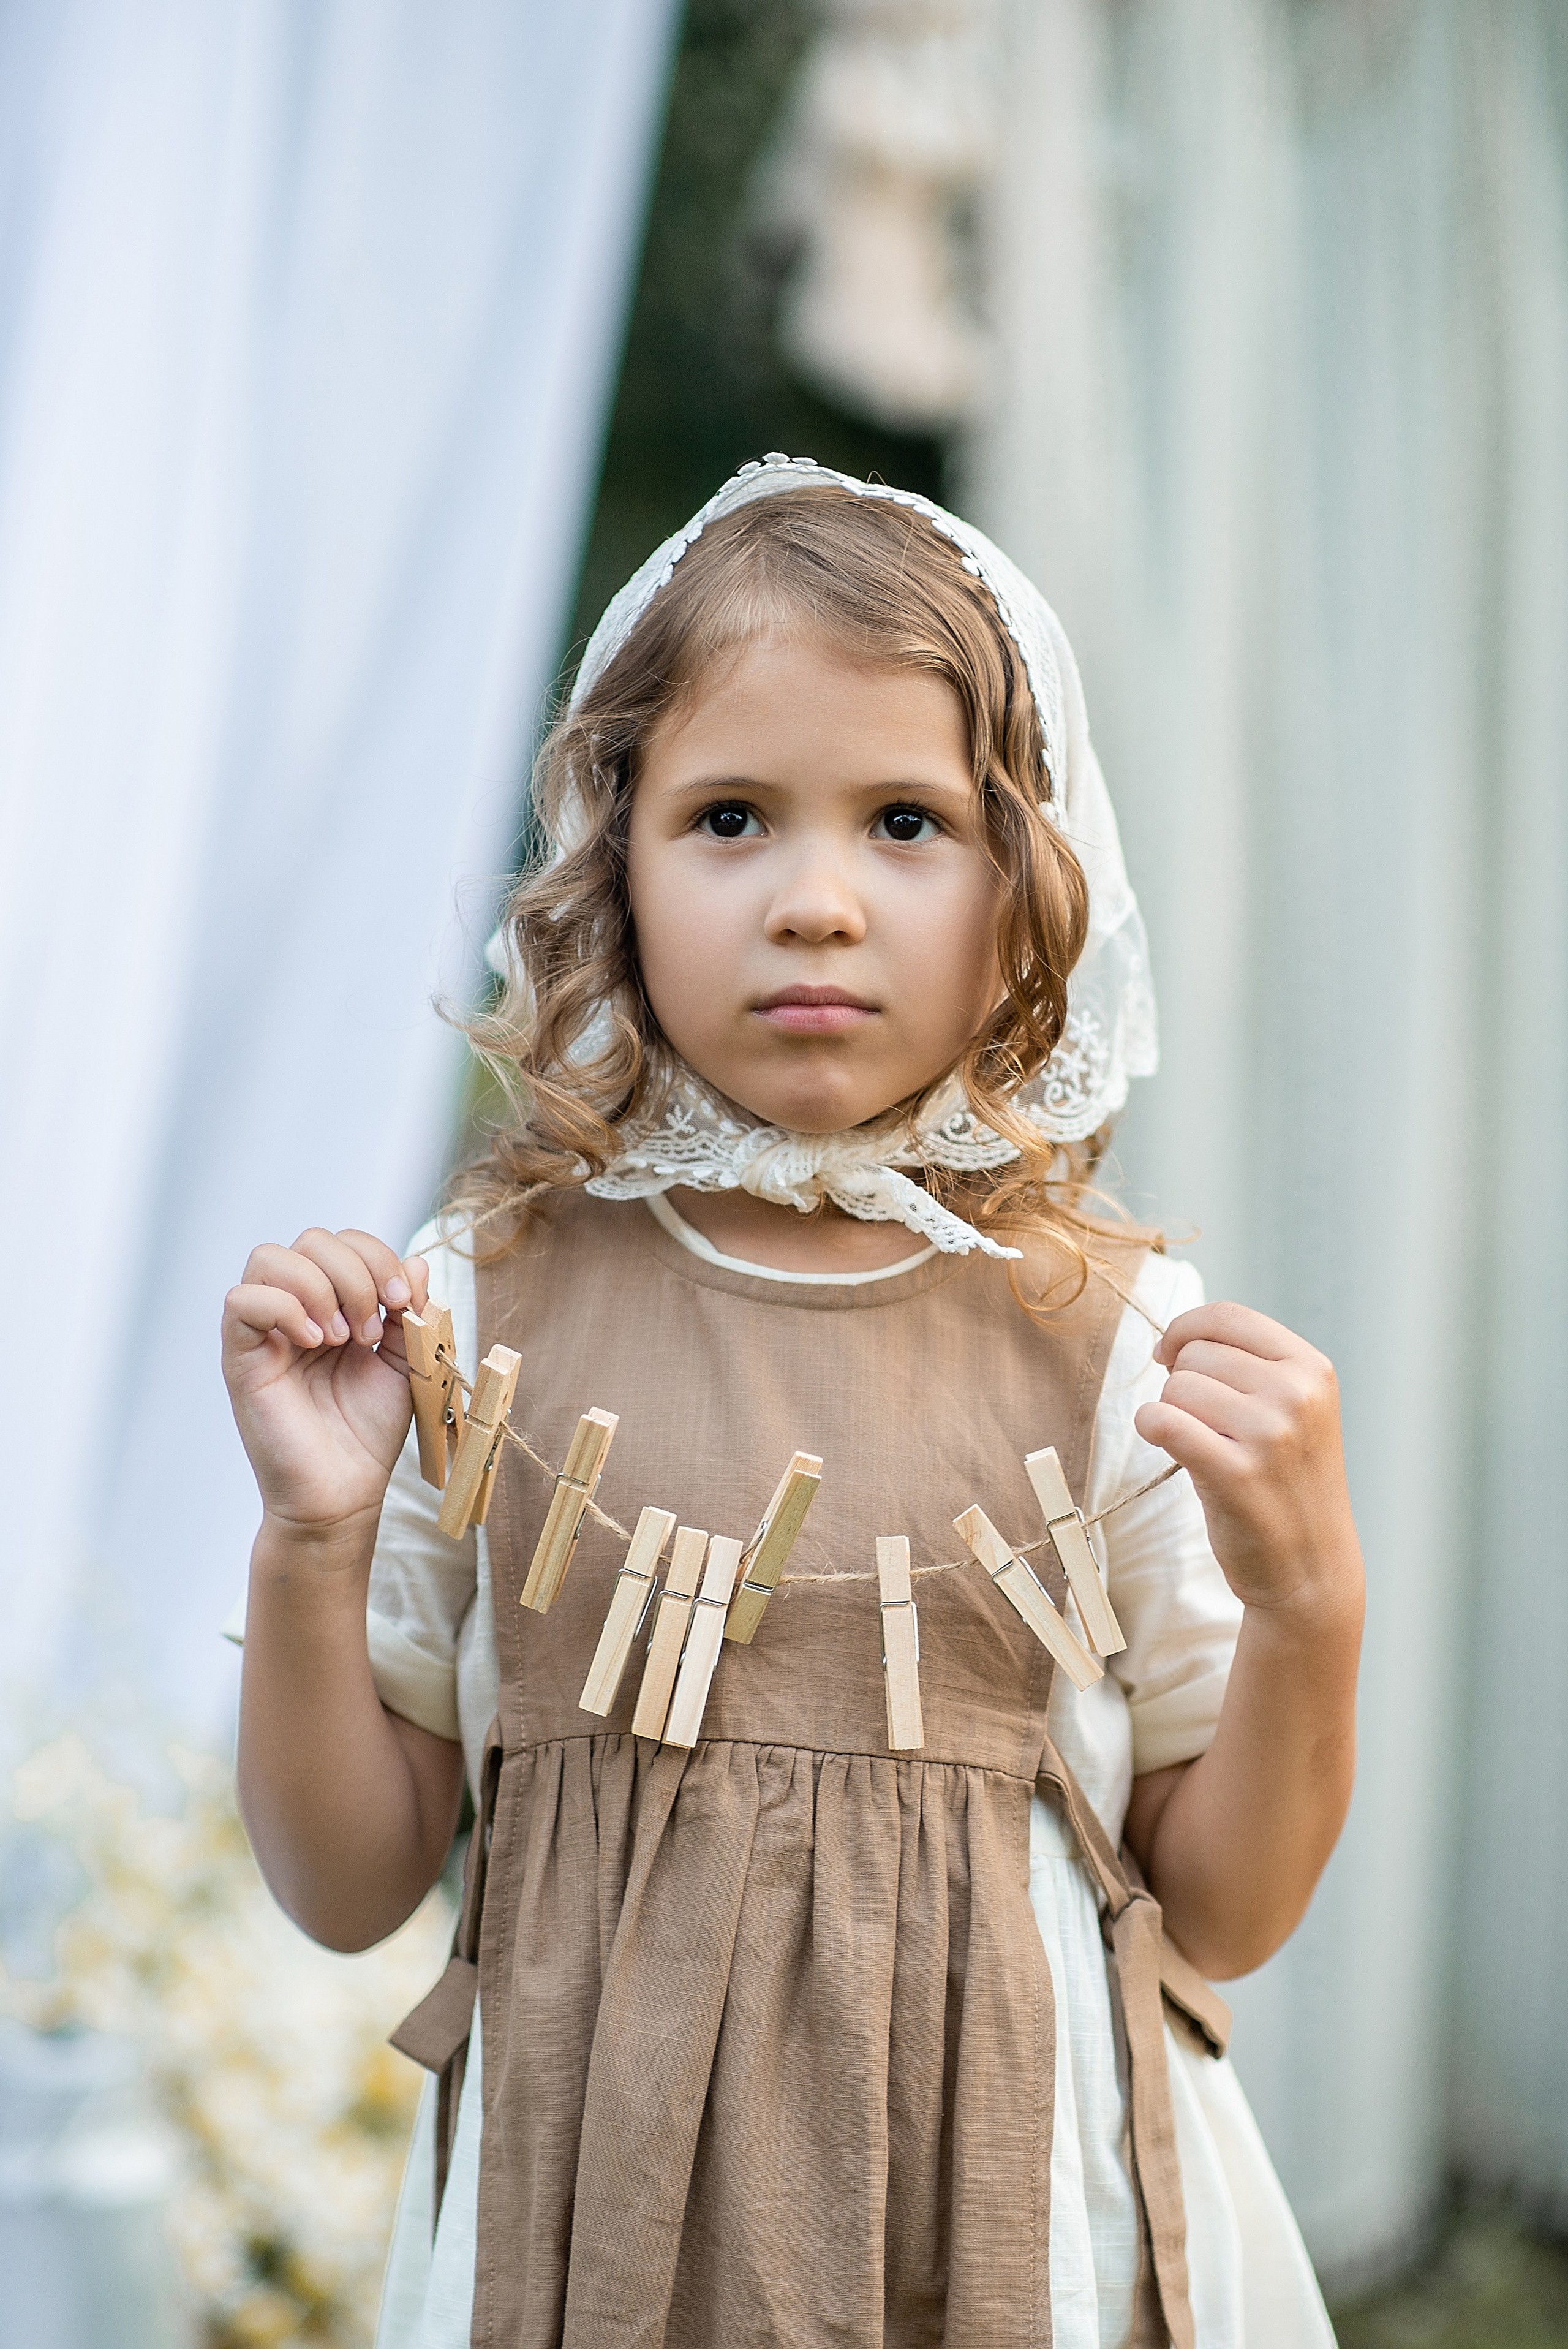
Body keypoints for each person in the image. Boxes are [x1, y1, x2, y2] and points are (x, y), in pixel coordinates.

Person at [222, 456, 1363, 2349]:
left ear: (1032, 880)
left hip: (1021, 2224)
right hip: (583, 2239)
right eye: (732, 815)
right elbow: (347, 1887)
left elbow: (1222, 1911)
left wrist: (1312, 1598)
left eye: (906, 822)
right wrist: (314, 1534)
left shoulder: (1115, 1340)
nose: (817, 902)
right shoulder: (479, 1300)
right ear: (613, 861)